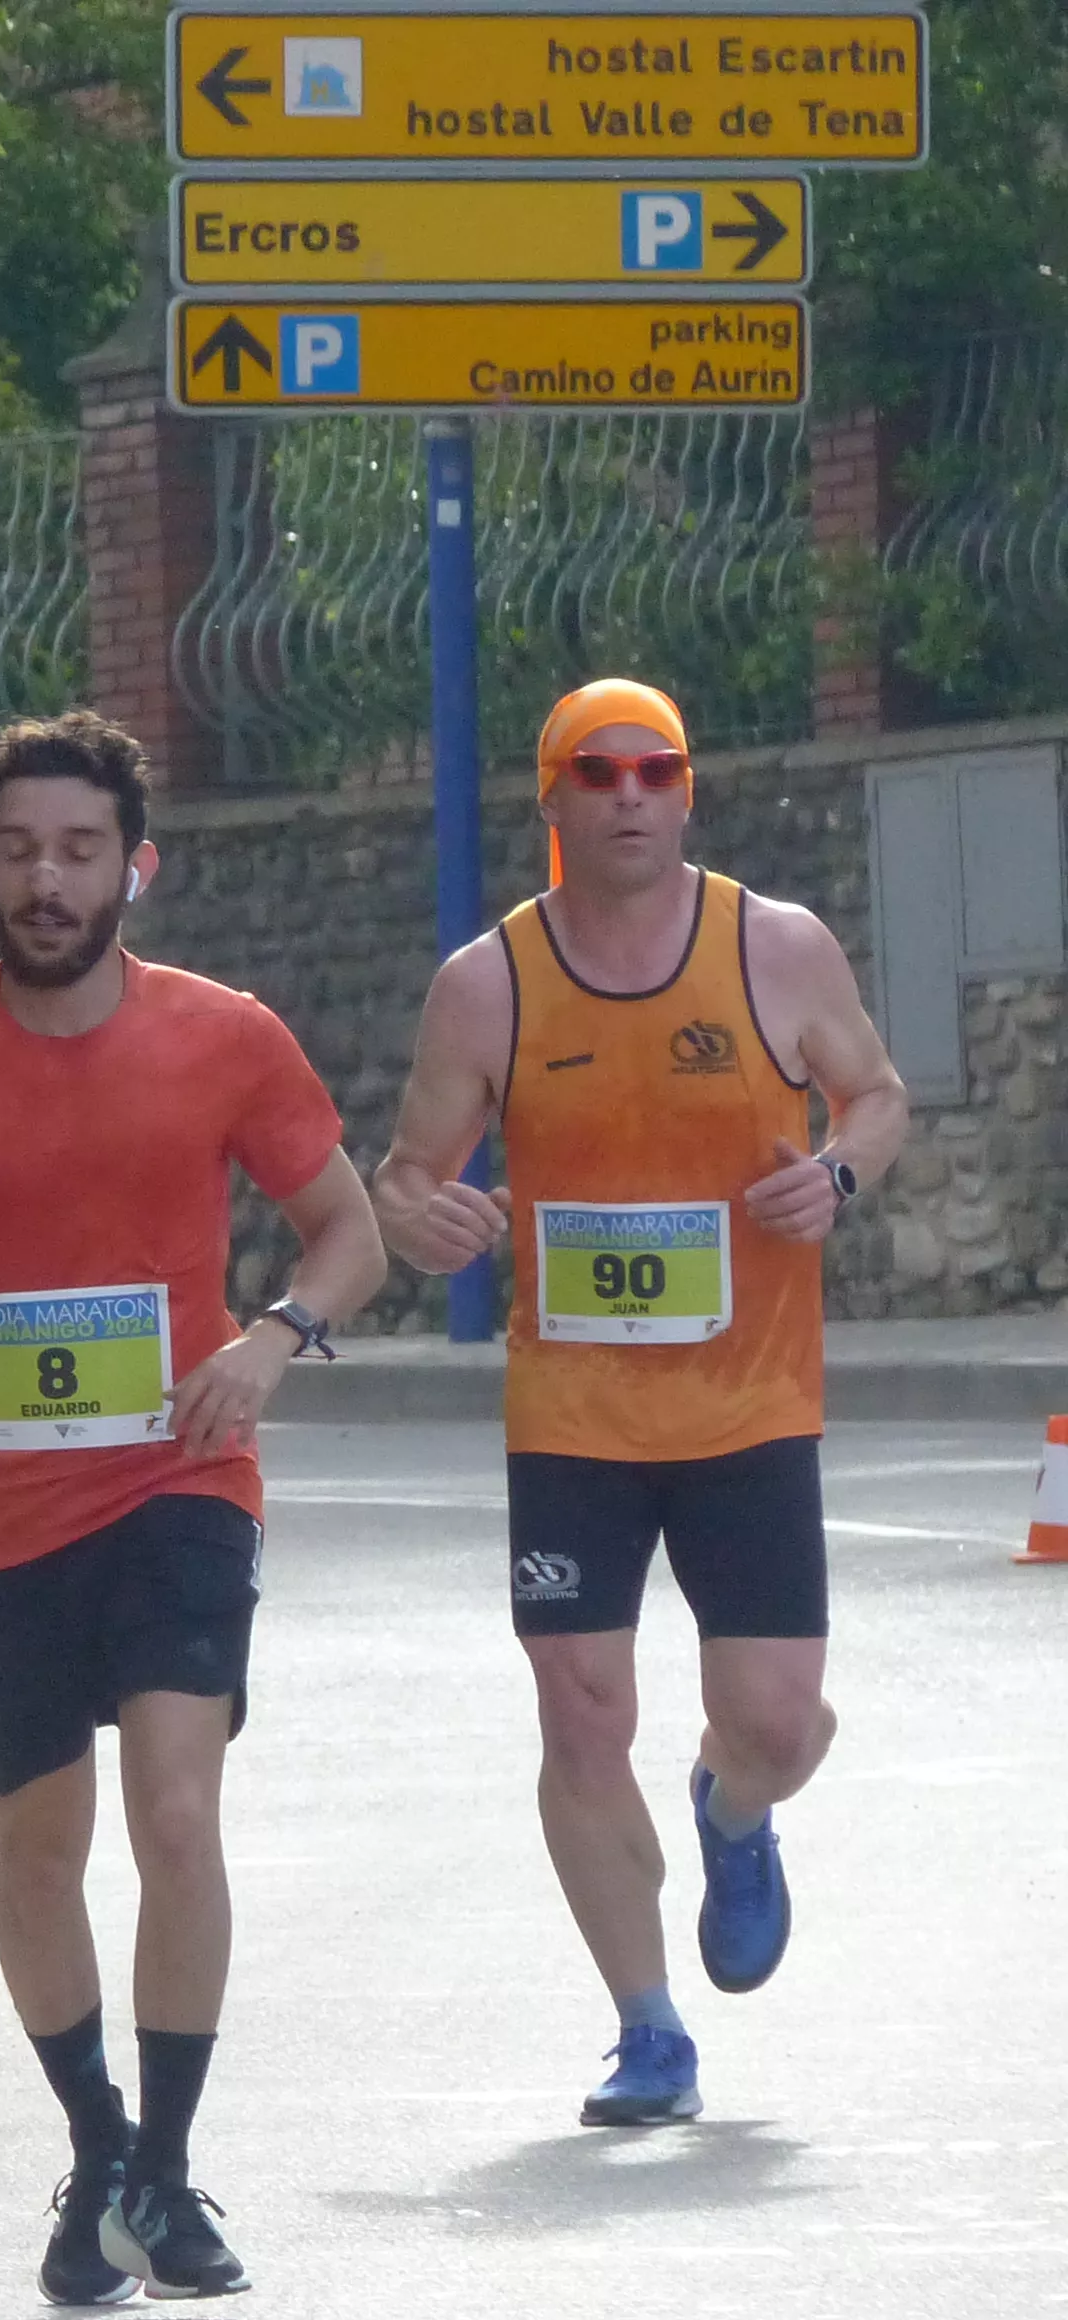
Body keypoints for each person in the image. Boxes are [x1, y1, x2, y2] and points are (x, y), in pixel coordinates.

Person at [0, 710, 386, 2305]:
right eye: (22, 851)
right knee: (39, 1853)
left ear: (137, 869)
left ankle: (168, 2175)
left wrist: (271, 1343)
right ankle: (96, 2143)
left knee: (178, 1811)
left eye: (80, 852)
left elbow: (347, 1234)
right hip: (4, 1514)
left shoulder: (225, 1035)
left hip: (181, 1471)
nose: (48, 881)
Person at [373, 679, 908, 2130]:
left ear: (688, 791)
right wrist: (427, 1218)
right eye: (593, 773)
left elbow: (877, 1095)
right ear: (549, 801)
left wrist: (837, 1175)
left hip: (749, 1403)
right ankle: (646, 2026)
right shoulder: (488, 983)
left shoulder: (774, 947)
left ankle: (736, 1813)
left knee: (779, 1720)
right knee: (580, 1709)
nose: (625, 796)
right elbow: (410, 1170)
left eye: (653, 770)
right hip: (575, 1415)